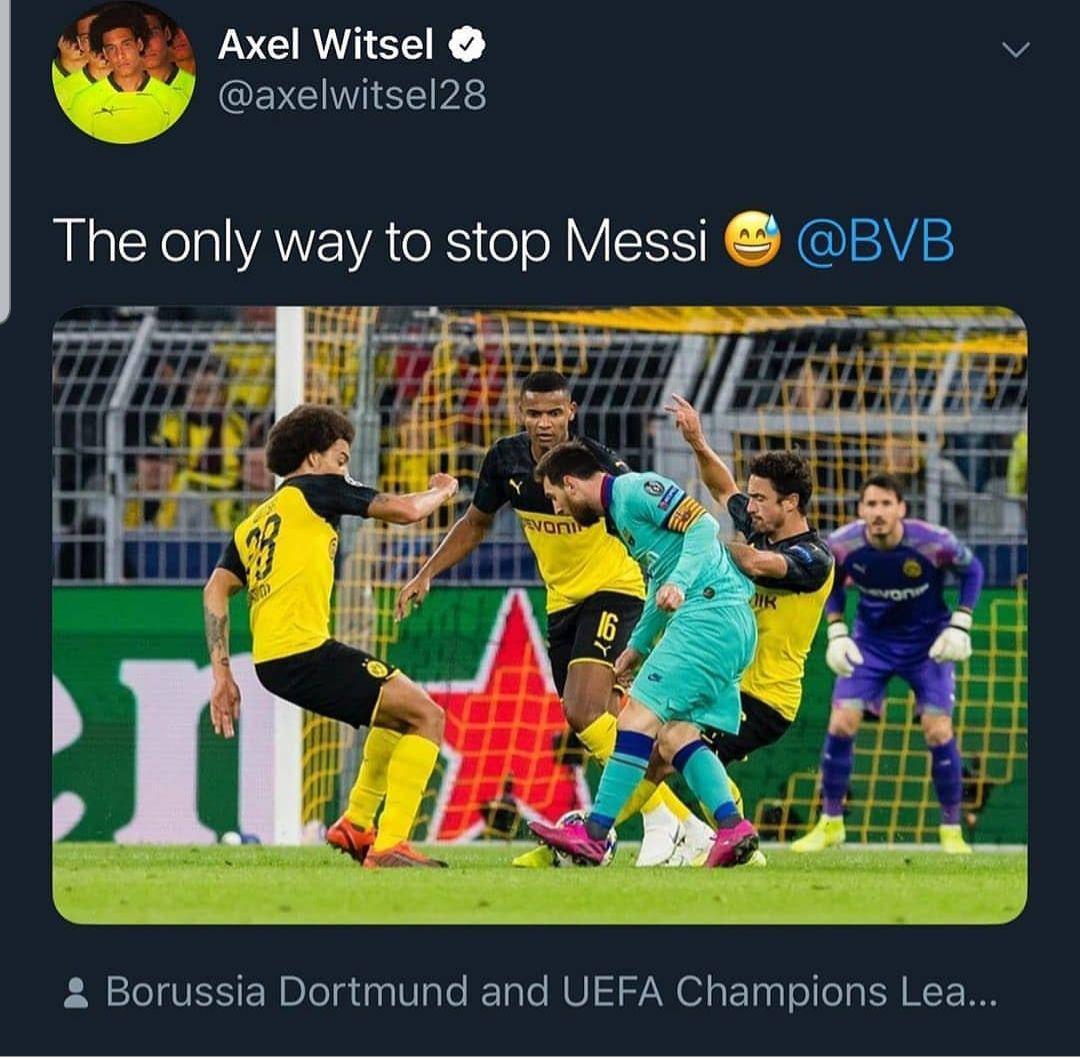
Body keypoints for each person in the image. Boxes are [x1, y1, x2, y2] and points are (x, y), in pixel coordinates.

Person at [395, 370, 695, 868]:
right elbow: (476, 522)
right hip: (562, 604)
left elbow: (650, 517)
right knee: (609, 723)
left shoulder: (594, 465)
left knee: (582, 710)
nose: (544, 423)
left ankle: (664, 820)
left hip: (615, 590)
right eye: (534, 413)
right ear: (520, 413)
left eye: (555, 412)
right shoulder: (505, 461)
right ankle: (686, 822)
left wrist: (670, 582)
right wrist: (427, 572)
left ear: (571, 412)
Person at [203, 404, 459, 868]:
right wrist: (442, 491)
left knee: (397, 716)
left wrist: (222, 674)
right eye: (341, 459)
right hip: (304, 652)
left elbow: (215, 589)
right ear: (313, 458)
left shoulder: (257, 520)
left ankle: (357, 823)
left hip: (274, 660)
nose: (344, 470)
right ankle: (391, 845)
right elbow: (405, 510)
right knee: (428, 716)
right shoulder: (316, 488)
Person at [528, 441, 760, 868]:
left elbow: (704, 526)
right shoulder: (618, 517)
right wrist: (635, 649)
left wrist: (680, 584)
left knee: (635, 718)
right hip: (727, 623)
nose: (557, 509)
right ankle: (732, 828)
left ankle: (594, 836)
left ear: (571, 484)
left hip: (707, 614)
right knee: (676, 736)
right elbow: (658, 583)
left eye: (555, 497)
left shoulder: (635, 490)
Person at [636, 395, 835, 865]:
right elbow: (723, 487)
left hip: (766, 697)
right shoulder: (760, 522)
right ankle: (610, 833)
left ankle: (721, 835)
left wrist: (699, 542)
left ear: (791, 502)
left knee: (675, 740)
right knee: (651, 752)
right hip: (726, 680)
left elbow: (758, 563)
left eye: (762, 498)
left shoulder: (814, 559)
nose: (752, 506)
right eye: (754, 497)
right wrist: (697, 442)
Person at [792, 474, 984, 855]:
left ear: (901, 509)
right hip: (871, 645)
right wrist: (836, 629)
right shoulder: (843, 544)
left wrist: (961, 622)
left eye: (886, 504)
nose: (878, 512)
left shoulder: (932, 542)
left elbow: (973, 570)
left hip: (928, 646)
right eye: (871, 504)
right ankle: (830, 824)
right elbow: (830, 581)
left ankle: (951, 831)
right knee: (841, 722)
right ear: (860, 510)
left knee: (937, 729)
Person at [70, 4, 186, 143]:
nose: (120, 55)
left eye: (126, 45)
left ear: (139, 45)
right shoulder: (83, 102)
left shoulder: (173, 100)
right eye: (112, 48)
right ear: (105, 53)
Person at [137, 3, 196, 101]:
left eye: (152, 33)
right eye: (138, 36)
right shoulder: (121, 94)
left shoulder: (191, 86)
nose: (146, 45)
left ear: (167, 33)